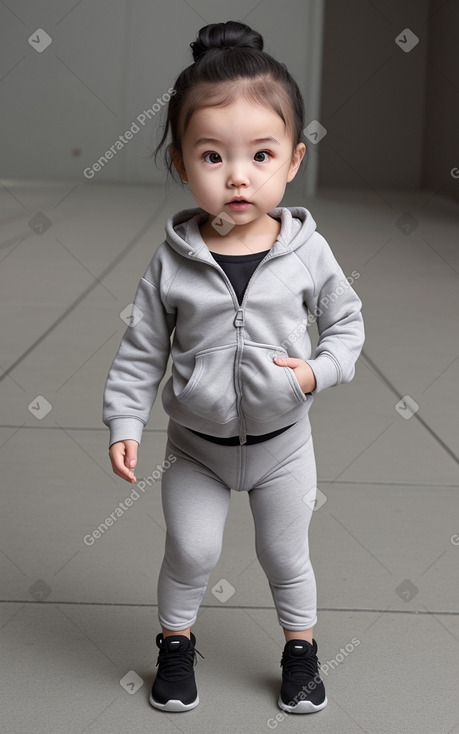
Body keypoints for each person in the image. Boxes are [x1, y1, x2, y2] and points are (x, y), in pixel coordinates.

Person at [103, 19, 365, 715]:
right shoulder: (172, 261)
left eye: (260, 155)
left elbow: (346, 325)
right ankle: (175, 644)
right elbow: (142, 350)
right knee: (190, 551)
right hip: (196, 448)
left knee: (286, 558)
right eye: (212, 156)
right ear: (181, 163)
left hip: (283, 447)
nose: (238, 176)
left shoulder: (307, 252)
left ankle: (301, 652)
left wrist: (314, 372)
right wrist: (124, 418)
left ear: (291, 160)